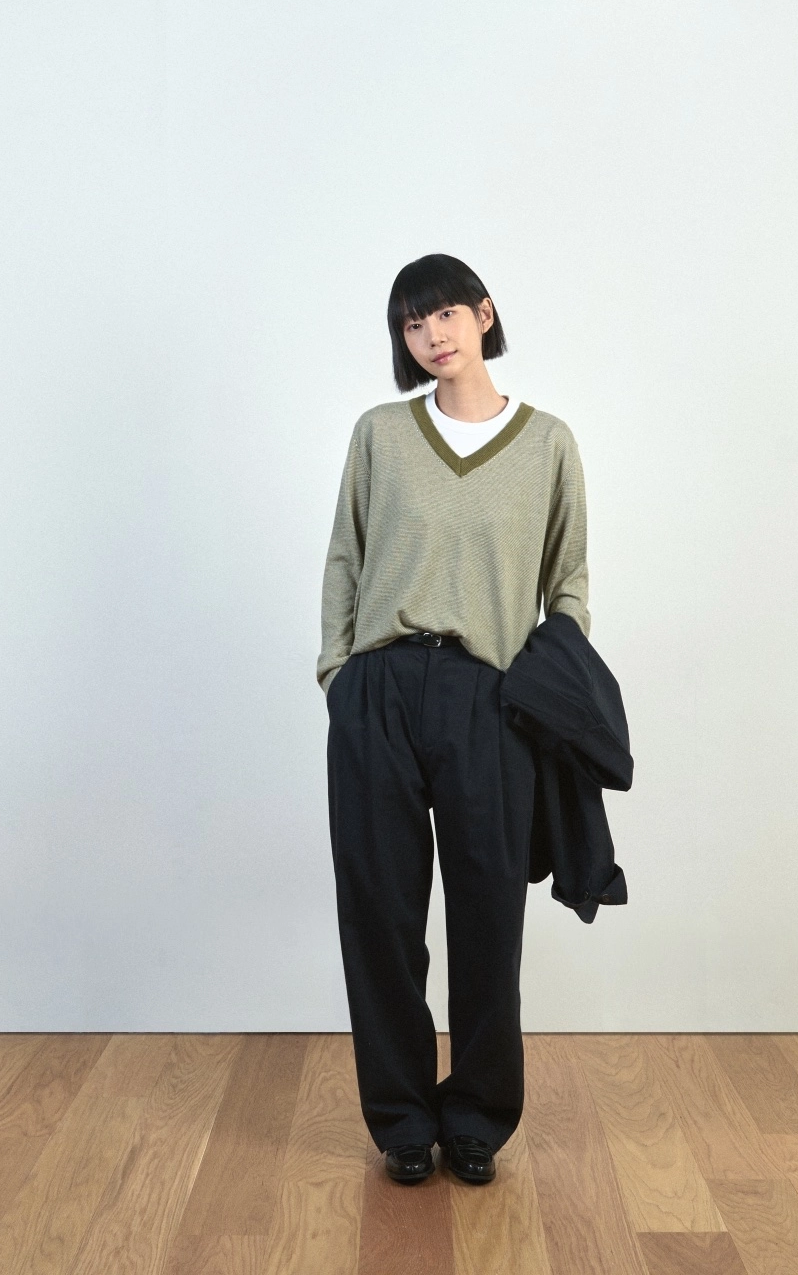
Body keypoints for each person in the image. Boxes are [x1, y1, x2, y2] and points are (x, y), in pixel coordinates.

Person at [317, 253, 590, 1185]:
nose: (431, 335)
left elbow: (568, 584)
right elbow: (346, 558)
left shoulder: (548, 443)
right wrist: (339, 676)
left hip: (491, 700)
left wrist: (542, 691)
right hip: (380, 690)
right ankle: (401, 1119)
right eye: (412, 323)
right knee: (381, 914)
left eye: (444, 314)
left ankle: (475, 1116)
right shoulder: (380, 435)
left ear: (484, 314)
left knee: (487, 917)